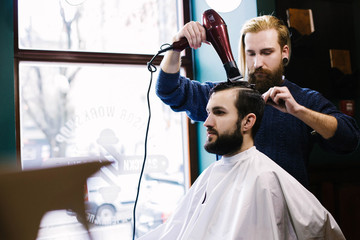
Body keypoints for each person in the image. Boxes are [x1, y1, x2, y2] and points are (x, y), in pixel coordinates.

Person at [155, 15, 360, 187]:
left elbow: (348, 138)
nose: (257, 63)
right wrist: (176, 46)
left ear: (284, 52)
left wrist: (299, 111)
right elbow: (168, 90)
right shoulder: (222, 95)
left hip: (285, 218)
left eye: (266, 52)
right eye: (250, 53)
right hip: (233, 216)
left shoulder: (305, 100)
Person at [138, 81, 345, 240]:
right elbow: (175, 230)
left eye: (219, 113)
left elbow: (321, 227)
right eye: (209, 112)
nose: (207, 122)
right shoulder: (212, 174)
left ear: (247, 121)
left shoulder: (266, 179)